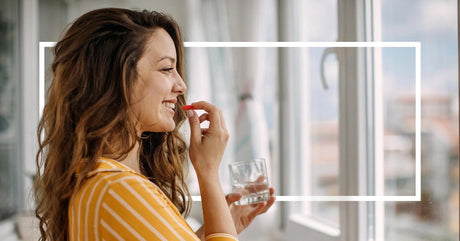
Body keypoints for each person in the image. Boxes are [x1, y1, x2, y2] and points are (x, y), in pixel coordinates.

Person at [34, 8, 275, 241]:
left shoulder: (99, 178)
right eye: (167, 68)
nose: (181, 86)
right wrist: (208, 171)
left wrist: (222, 224)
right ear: (117, 78)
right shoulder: (120, 189)